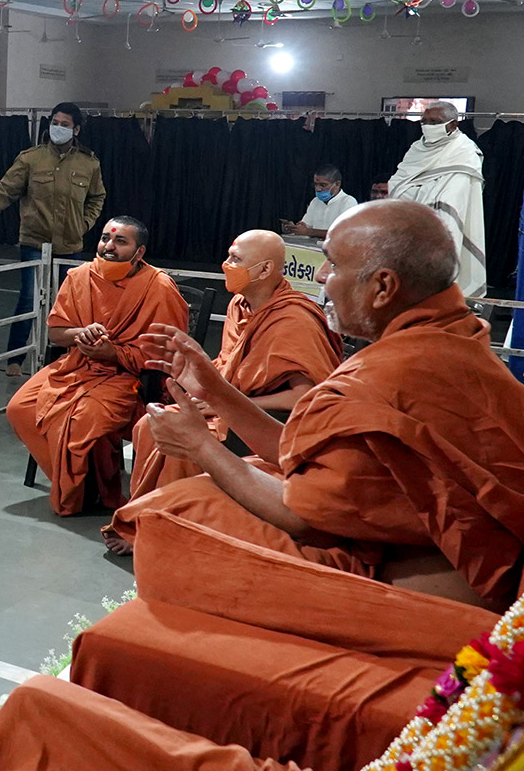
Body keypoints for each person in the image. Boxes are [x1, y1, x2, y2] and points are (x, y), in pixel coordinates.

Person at [101, 200, 524, 612]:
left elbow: (304, 515)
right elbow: (298, 452)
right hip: (403, 539)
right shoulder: (457, 334)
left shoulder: (381, 380)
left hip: (414, 576)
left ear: (383, 288)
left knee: (177, 514)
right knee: (183, 494)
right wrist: (214, 390)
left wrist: (201, 446)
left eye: (333, 265)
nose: (321, 276)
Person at [129, 230, 343, 498]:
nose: (226, 265)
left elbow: (305, 396)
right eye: (228, 257)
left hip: (266, 422)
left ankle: (176, 514)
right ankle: (145, 511)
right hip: (224, 405)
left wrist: (226, 403)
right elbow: (230, 365)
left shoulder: (294, 319)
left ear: (265, 269)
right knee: (148, 424)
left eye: (235, 259)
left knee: (178, 440)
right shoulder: (239, 305)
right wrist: (201, 377)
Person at [6, 216, 188, 516]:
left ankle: (92, 491)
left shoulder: (159, 287)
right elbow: (56, 333)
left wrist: (113, 353)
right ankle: (79, 484)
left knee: (87, 418)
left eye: (120, 241)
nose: (109, 246)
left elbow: (167, 352)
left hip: (130, 375)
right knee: (19, 408)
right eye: (105, 238)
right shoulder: (79, 276)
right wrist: (81, 334)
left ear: (139, 252)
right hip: (77, 365)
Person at [0, 102, 107, 377]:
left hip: (69, 245)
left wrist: (84, 224)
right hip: (35, 243)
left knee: (69, 305)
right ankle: (15, 357)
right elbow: (4, 192)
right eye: (55, 123)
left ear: (76, 130)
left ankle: (64, 357)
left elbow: (97, 197)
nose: (58, 128)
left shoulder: (88, 163)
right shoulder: (31, 159)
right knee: (29, 299)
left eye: (65, 125)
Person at [388, 101, 486, 297]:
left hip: (445, 227)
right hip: (411, 225)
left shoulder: (464, 151)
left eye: (434, 122)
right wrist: (427, 193)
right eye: (424, 121)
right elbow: (397, 187)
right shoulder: (416, 148)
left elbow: (450, 199)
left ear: (453, 124)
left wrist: (419, 194)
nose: (427, 126)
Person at [281, 165, 357, 239]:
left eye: (323, 185)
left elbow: (345, 232)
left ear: (337, 184)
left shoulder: (348, 202)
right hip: (313, 246)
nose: (318, 189)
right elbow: (306, 225)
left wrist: (309, 232)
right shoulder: (315, 201)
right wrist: (294, 228)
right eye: (315, 185)